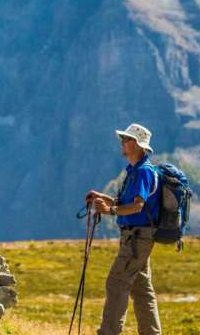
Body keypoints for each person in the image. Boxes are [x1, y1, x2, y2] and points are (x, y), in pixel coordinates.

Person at [86, 123, 163, 335]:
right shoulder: (135, 171)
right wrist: (103, 198)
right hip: (138, 237)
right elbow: (126, 202)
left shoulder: (142, 172)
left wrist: (109, 211)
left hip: (137, 238)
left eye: (126, 139)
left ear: (137, 144)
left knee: (116, 282)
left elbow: (138, 205)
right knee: (141, 289)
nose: (122, 142)